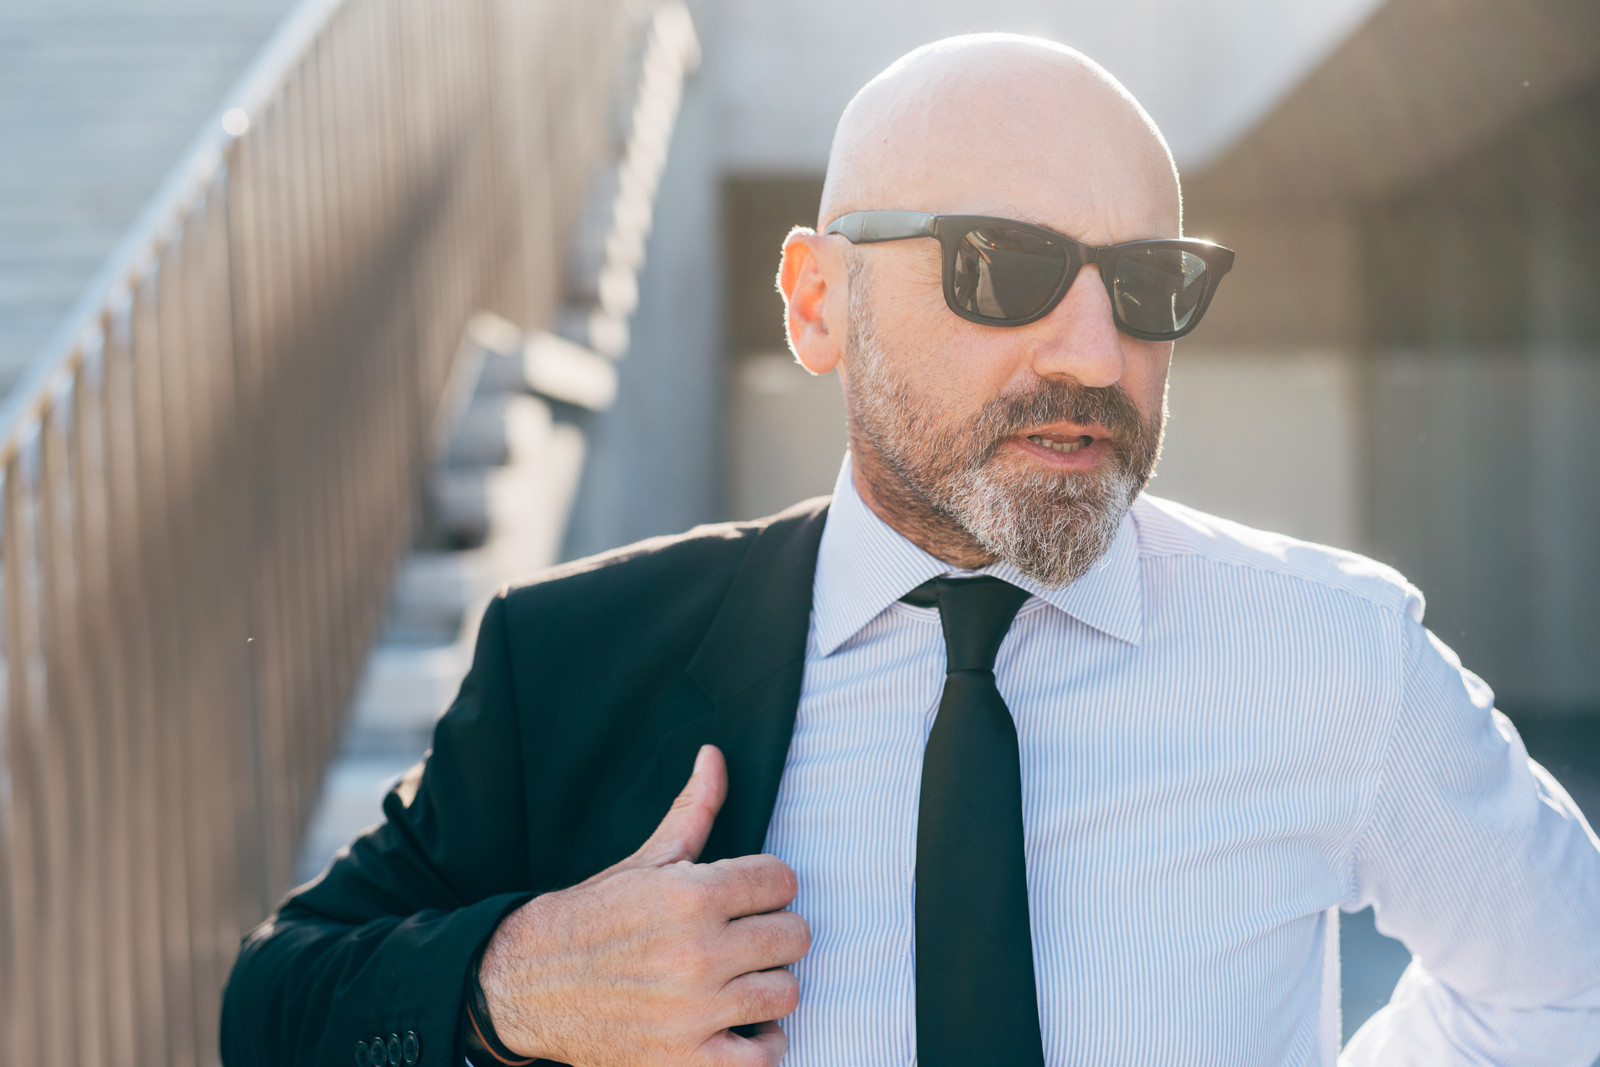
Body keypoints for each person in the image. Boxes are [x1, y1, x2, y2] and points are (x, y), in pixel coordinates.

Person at [220, 34, 1600, 1067]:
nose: (1094, 351)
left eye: (1145, 284)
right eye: (999, 267)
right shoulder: (577, 659)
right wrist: (509, 988)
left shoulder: (1329, 653)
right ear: (819, 304)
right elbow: (275, 1005)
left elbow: (1568, 983)